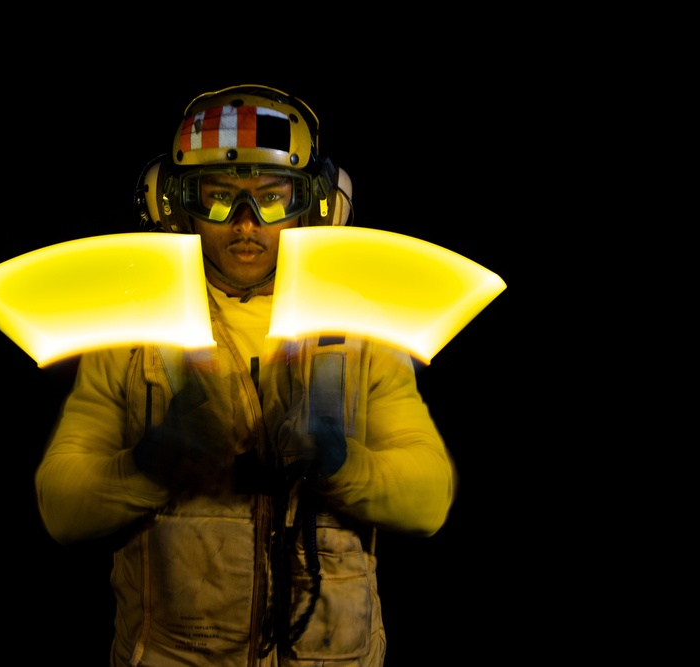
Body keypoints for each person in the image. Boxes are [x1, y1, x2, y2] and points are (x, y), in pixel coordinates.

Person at [34, 84, 457, 666]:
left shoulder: (361, 335)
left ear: (320, 204)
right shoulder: (134, 337)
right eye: (218, 197)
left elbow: (429, 499)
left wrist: (340, 464)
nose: (245, 224)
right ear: (172, 204)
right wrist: (146, 468)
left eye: (273, 198)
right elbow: (60, 506)